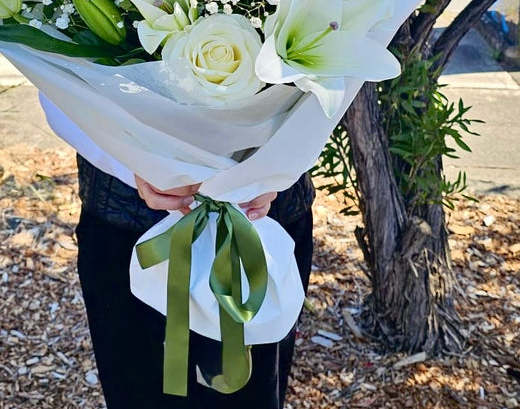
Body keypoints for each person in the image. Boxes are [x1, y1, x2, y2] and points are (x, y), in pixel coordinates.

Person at [40, 95, 314, 409]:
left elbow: (328, 89)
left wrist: (278, 166)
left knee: (252, 393)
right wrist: (137, 165)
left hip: (262, 220)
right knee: (141, 391)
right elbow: (61, 86)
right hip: (133, 220)